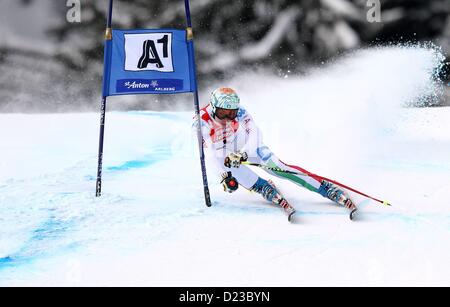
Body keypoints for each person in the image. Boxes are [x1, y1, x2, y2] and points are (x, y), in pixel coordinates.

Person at [197, 87, 357, 222]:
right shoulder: (202, 121)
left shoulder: (240, 112)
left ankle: (324, 187)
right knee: (224, 160)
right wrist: (224, 176)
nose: (228, 117)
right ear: (214, 106)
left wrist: (244, 153)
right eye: (224, 113)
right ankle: (261, 186)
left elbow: (255, 133)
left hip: (242, 143)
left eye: (231, 113)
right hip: (221, 151)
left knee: (279, 168)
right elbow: (208, 152)